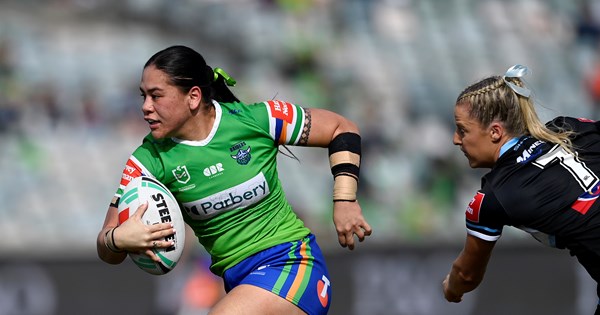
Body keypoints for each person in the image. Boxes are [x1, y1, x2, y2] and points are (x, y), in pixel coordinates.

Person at [96, 45, 372, 315]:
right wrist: (117, 240)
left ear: (193, 97)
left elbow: (341, 128)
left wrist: (345, 199)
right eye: (143, 95)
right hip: (240, 282)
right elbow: (106, 245)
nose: (145, 107)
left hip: (293, 265)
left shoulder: (256, 120)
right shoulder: (147, 161)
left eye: (156, 96)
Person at [442, 64, 600, 314]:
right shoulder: (570, 128)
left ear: (495, 132)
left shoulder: (494, 196)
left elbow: (467, 275)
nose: (455, 139)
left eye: (463, 130)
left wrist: (451, 287)